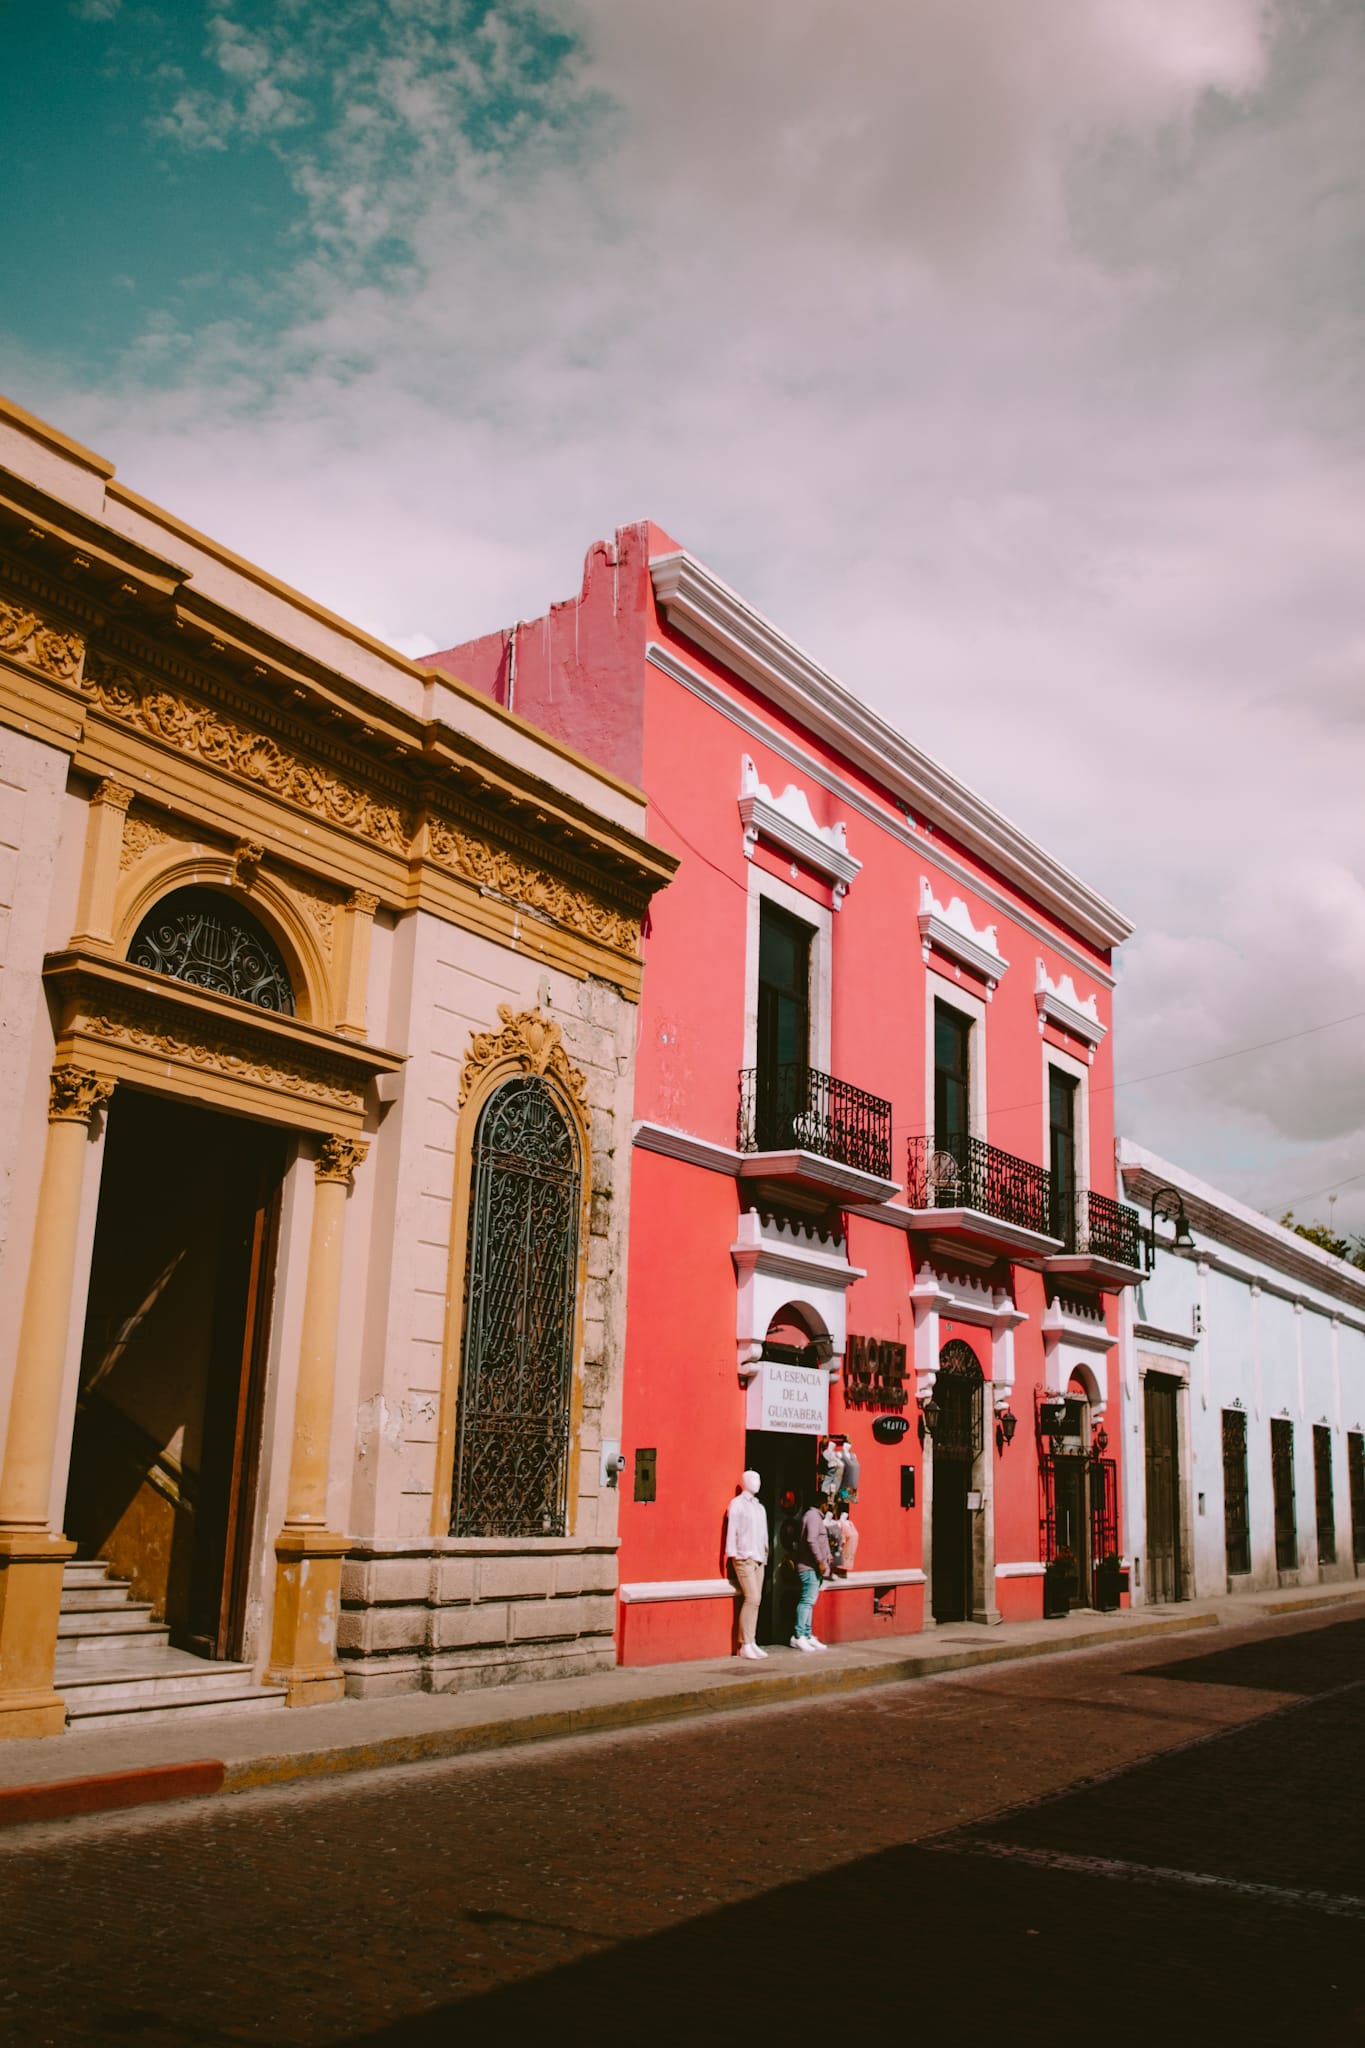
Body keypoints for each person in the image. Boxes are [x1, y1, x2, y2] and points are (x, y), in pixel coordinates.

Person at [725, 1470, 770, 1660]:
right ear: (744, 1481)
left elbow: (764, 1534)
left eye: (759, 1479)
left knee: (757, 1600)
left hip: (759, 1557)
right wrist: (733, 1553)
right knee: (752, 1598)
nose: (756, 1482)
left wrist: (765, 1555)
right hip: (744, 1556)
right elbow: (732, 1528)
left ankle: (752, 1641)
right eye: (753, 1479)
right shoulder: (737, 1504)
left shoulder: (760, 1508)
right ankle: (744, 1643)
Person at [791, 1490, 832, 1650]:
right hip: (809, 1566)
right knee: (807, 1600)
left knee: (810, 1600)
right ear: (821, 1504)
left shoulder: (814, 1517)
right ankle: (799, 1635)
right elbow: (811, 1540)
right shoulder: (813, 1517)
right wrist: (820, 1561)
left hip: (813, 1566)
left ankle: (807, 1634)